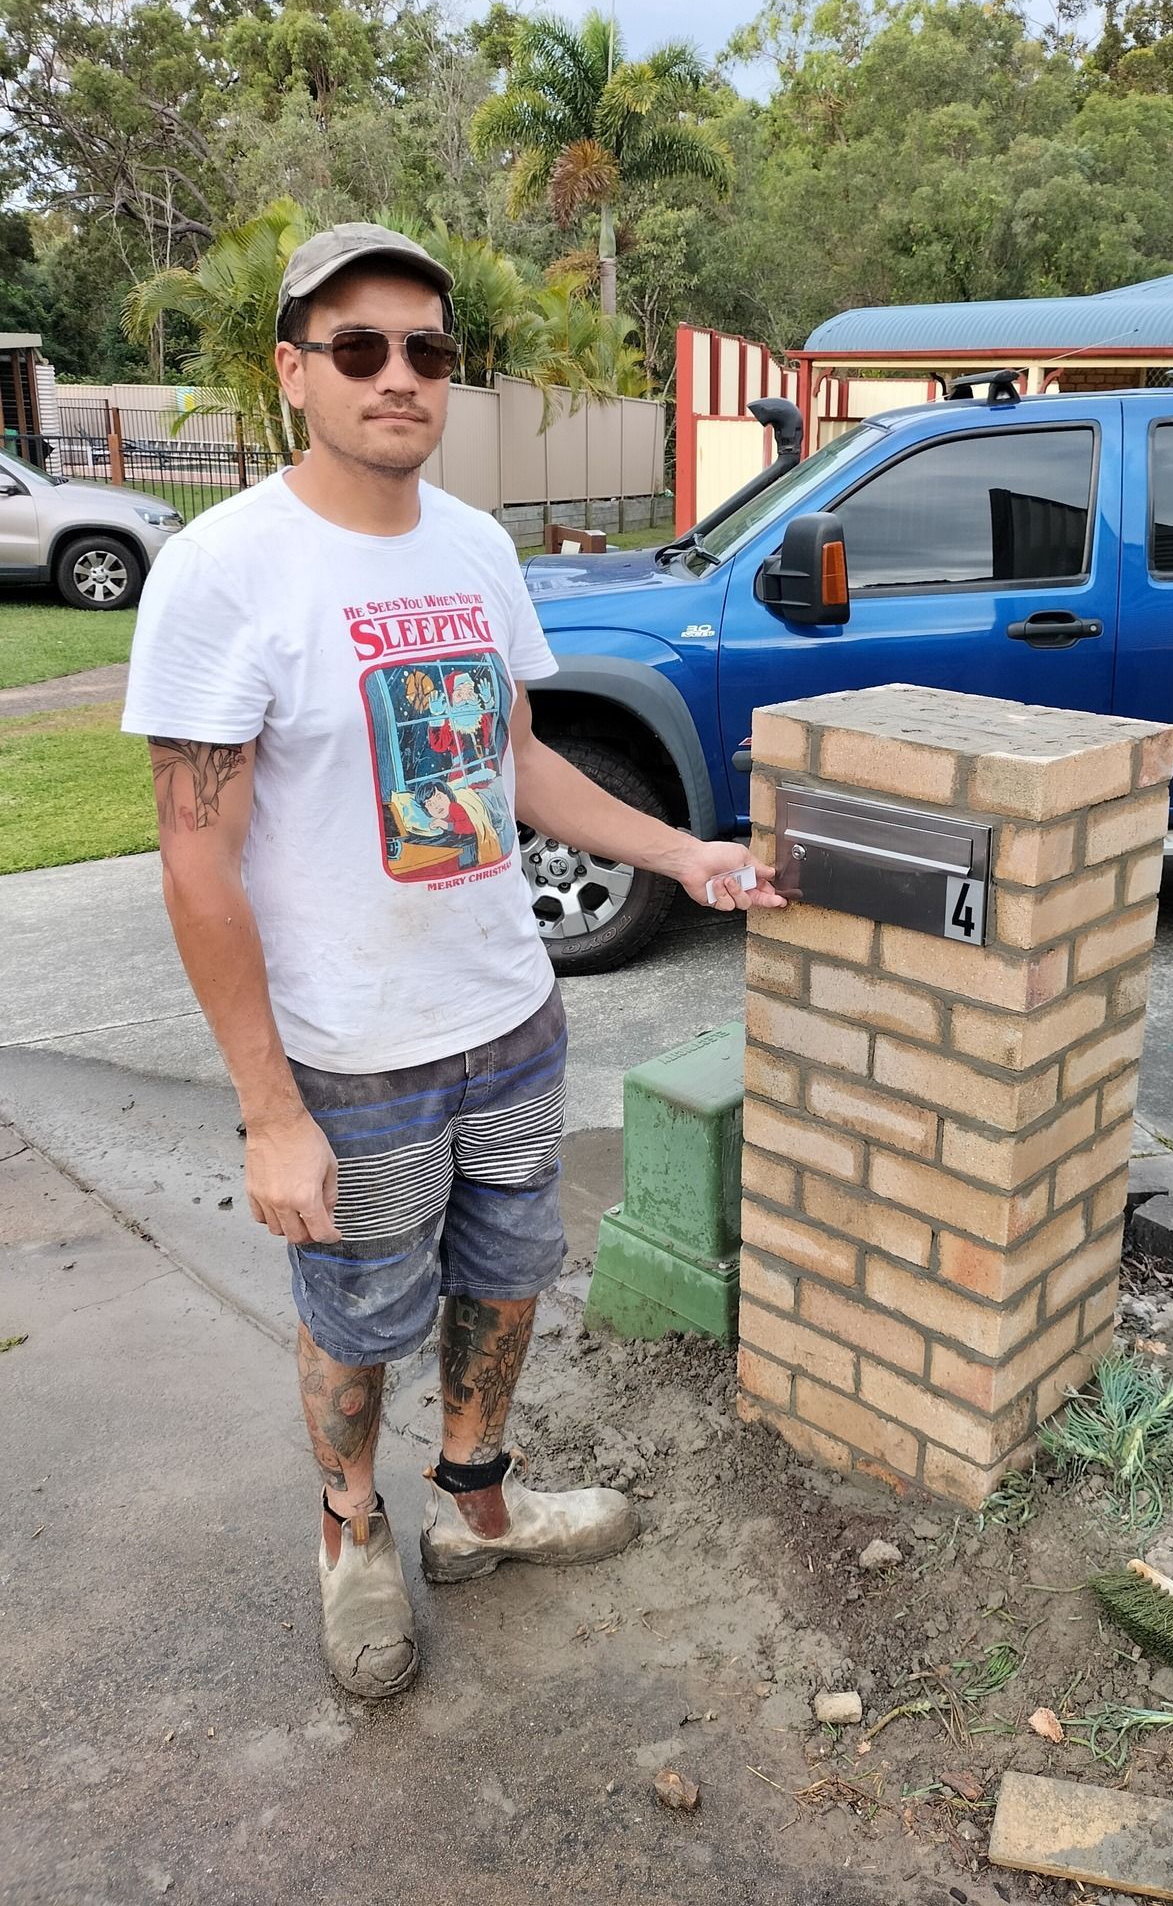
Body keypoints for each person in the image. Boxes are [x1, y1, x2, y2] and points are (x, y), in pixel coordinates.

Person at [121, 223, 783, 1699]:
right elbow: (193, 856)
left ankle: (477, 1506)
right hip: (349, 1062)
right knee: (355, 1322)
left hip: (510, 1017)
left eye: (427, 348)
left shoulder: (477, 546)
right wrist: (270, 1108)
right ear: (295, 372)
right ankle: (353, 1534)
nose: (400, 373)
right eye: (359, 347)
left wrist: (680, 855)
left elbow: (519, 762)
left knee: (504, 1283)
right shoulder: (224, 568)